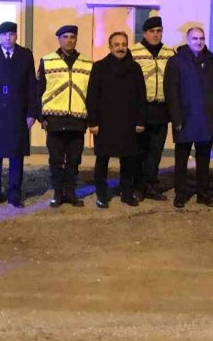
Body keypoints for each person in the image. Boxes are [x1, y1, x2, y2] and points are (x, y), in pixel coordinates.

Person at [0, 21, 38, 207]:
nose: (8, 38)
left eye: (11, 34)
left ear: (16, 35)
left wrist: (31, 113)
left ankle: (14, 195)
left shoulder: (25, 55)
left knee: (16, 156)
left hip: (18, 113)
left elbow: (32, 86)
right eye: (4, 35)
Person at [86, 31, 146, 208]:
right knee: (102, 160)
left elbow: (141, 96)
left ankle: (126, 193)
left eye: (124, 44)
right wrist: (93, 122)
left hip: (128, 123)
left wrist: (140, 121)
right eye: (117, 45)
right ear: (110, 47)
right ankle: (102, 195)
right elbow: (92, 97)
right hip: (105, 123)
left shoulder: (135, 68)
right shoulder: (99, 67)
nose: (121, 48)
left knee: (128, 160)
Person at [164, 27, 213, 209]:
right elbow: (171, 92)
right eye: (195, 38)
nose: (198, 42)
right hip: (185, 118)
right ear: (187, 40)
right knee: (181, 160)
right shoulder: (176, 61)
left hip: (205, 118)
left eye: (201, 38)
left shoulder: (211, 61)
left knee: (203, 160)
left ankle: (203, 194)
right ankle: (181, 194)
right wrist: (176, 118)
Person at [39, 24, 93, 208]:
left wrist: (89, 118)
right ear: (59, 39)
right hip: (54, 118)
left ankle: (70, 192)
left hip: (77, 118)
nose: (69, 40)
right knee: (56, 159)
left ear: (76, 39)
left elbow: (91, 93)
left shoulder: (87, 63)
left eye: (72, 37)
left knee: (74, 159)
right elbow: (39, 90)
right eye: (65, 37)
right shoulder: (47, 61)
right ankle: (57, 192)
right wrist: (41, 117)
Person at [129, 16, 175, 199]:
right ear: (145, 33)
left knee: (156, 150)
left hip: (162, 109)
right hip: (141, 108)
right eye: (152, 31)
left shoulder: (169, 53)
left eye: (158, 31)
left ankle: (150, 184)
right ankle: (138, 186)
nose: (155, 35)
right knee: (139, 150)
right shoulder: (133, 52)